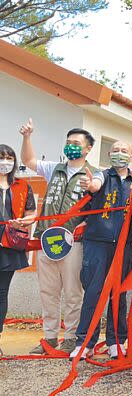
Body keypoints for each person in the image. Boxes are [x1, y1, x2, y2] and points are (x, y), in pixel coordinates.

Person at [20, 119, 97, 355]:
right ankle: (50, 337)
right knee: (48, 291)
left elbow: (98, 210)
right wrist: (27, 137)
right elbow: (28, 161)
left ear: (88, 149)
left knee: (73, 292)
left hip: (74, 243)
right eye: (68, 142)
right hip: (46, 241)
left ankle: (72, 337)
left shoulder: (96, 176)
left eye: (76, 143)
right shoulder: (55, 168)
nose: (71, 146)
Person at [71, 141, 132, 360]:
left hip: (123, 245)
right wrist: (91, 185)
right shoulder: (102, 176)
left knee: (119, 294)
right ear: (109, 155)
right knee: (93, 292)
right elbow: (94, 186)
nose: (119, 154)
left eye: (124, 151)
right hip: (97, 242)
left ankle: (116, 341)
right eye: (115, 151)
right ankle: (85, 342)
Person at [0, 144, 37, 357]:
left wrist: (23, 222)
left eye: (9, 157)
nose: (5, 161)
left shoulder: (22, 185)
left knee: (1, 293)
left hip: (10, 245)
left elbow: (31, 213)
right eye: (1, 157)